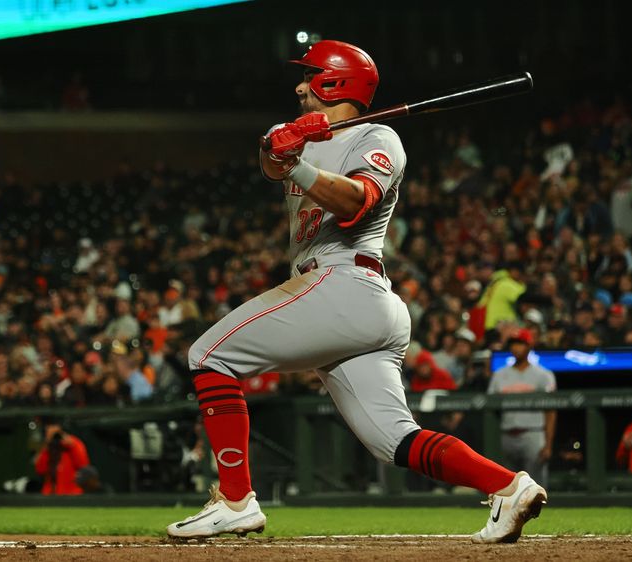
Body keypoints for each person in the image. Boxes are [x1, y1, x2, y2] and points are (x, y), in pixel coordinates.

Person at [166, 40, 546, 544]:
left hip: (345, 282)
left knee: (208, 355)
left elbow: (356, 203)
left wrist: (295, 161)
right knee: (394, 440)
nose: (300, 86)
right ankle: (507, 486)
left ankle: (235, 500)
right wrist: (279, 146)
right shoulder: (307, 137)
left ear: (335, 81)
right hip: (353, 301)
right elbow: (270, 160)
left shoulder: (378, 136)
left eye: (310, 76)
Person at [487, 328, 557, 487]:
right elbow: (490, 410)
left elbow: (551, 411)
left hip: (533, 433)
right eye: (513, 344)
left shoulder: (543, 375)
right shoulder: (499, 375)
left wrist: (548, 444)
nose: (516, 348)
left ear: (529, 346)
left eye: (520, 344)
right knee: (506, 488)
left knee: (535, 488)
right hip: (506, 435)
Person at [33, 419, 90, 495]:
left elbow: (84, 466)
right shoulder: (47, 448)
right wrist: (47, 445)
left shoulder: (74, 443)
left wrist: (72, 446)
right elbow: (40, 470)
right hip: (51, 494)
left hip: (72, 494)